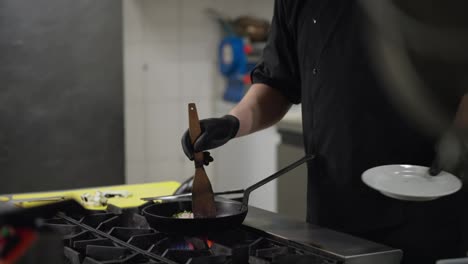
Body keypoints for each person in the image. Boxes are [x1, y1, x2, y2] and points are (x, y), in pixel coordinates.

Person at [181, 0, 468, 263]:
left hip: (426, 205)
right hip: (332, 214)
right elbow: (279, 83)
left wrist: (459, 139)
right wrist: (232, 123)